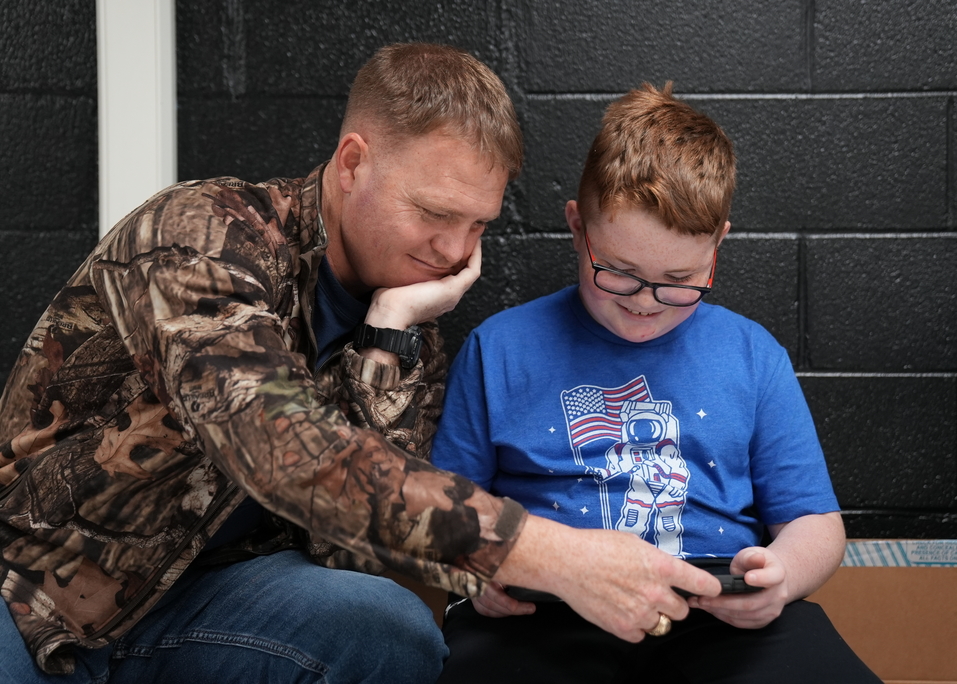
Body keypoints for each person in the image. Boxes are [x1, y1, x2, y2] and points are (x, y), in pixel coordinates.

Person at [0, 45, 720, 684]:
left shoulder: (407, 308)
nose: (454, 250)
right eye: (435, 213)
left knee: (388, 628)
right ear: (353, 164)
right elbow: (282, 450)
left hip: (202, 602)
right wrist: (551, 555)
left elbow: (361, 554)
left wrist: (391, 337)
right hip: (32, 597)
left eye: (477, 225)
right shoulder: (204, 235)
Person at [431, 82, 883, 683]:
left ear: (718, 244)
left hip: (713, 615)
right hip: (543, 611)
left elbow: (815, 524)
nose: (646, 302)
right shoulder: (500, 348)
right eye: (618, 272)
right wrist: (471, 570)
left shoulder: (753, 355)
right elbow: (441, 510)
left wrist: (782, 578)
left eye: (678, 279)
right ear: (576, 227)